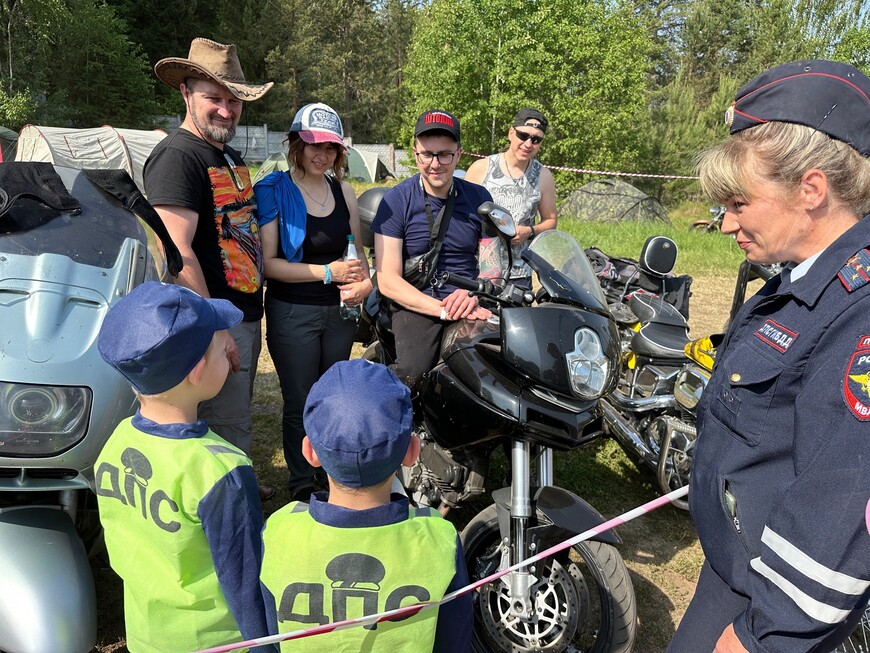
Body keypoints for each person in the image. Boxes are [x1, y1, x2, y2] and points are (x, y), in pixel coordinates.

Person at [667, 60, 870, 653]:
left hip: (774, 606)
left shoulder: (858, 312)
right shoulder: (806, 278)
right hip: (741, 565)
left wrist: (761, 639)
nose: (725, 223)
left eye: (738, 202)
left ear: (811, 189)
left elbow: (843, 506)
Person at [94, 282, 274, 653]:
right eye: (222, 348)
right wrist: (267, 647)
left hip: (148, 634)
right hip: (217, 642)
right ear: (197, 372)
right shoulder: (221, 470)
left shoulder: (117, 441)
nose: (230, 350)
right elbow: (245, 583)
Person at [260, 359, 472, 651]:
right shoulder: (440, 538)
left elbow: (267, 638)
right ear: (412, 452)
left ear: (310, 453)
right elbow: (454, 641)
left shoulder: (277, 532)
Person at [144, 37, 276, 500]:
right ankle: (229, 516)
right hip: (209, 324)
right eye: (213, 98)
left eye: (233, 99)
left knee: (234, 416)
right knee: (221, 426)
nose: (226, 109)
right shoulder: (178, 157)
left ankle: (231, 501)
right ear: (186, 94)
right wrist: (215, 331)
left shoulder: (227, 156)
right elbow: (178, 254)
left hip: (239, 315)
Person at [253, 103, 371, 502]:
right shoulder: (273, 189)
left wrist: (364, 280)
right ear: (296, 145)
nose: (321, 154)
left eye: (331, 147)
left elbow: (355, 251)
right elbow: (269, 265)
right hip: (293, 312)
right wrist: (327, 273)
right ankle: (303, 483)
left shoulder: (345, 192)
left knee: (334, 397)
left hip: (340, 313)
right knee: (300, 399)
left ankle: (331, 474)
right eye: (311, 145)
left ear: (340, 153)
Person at [371, 109, 493, 388]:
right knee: (414, 373)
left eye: (445, 154)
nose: (435, 163)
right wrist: (441, 310)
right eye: (427, 154)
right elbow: (388, 280)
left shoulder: (480, 197)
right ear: (415, 154)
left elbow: (492, 266)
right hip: (415, 301)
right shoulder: (396, 200)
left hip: (469, 301)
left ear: (459, 155)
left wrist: (475, 294)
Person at [465, 108, 558, 288]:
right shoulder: (481, 168)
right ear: (511, 133)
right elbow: (462, 216)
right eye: (523, 135)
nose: (528, 144)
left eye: (536, 139)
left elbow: (551, 220)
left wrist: (528, 231)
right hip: (478, 269)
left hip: (519, 273)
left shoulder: (543, 176)